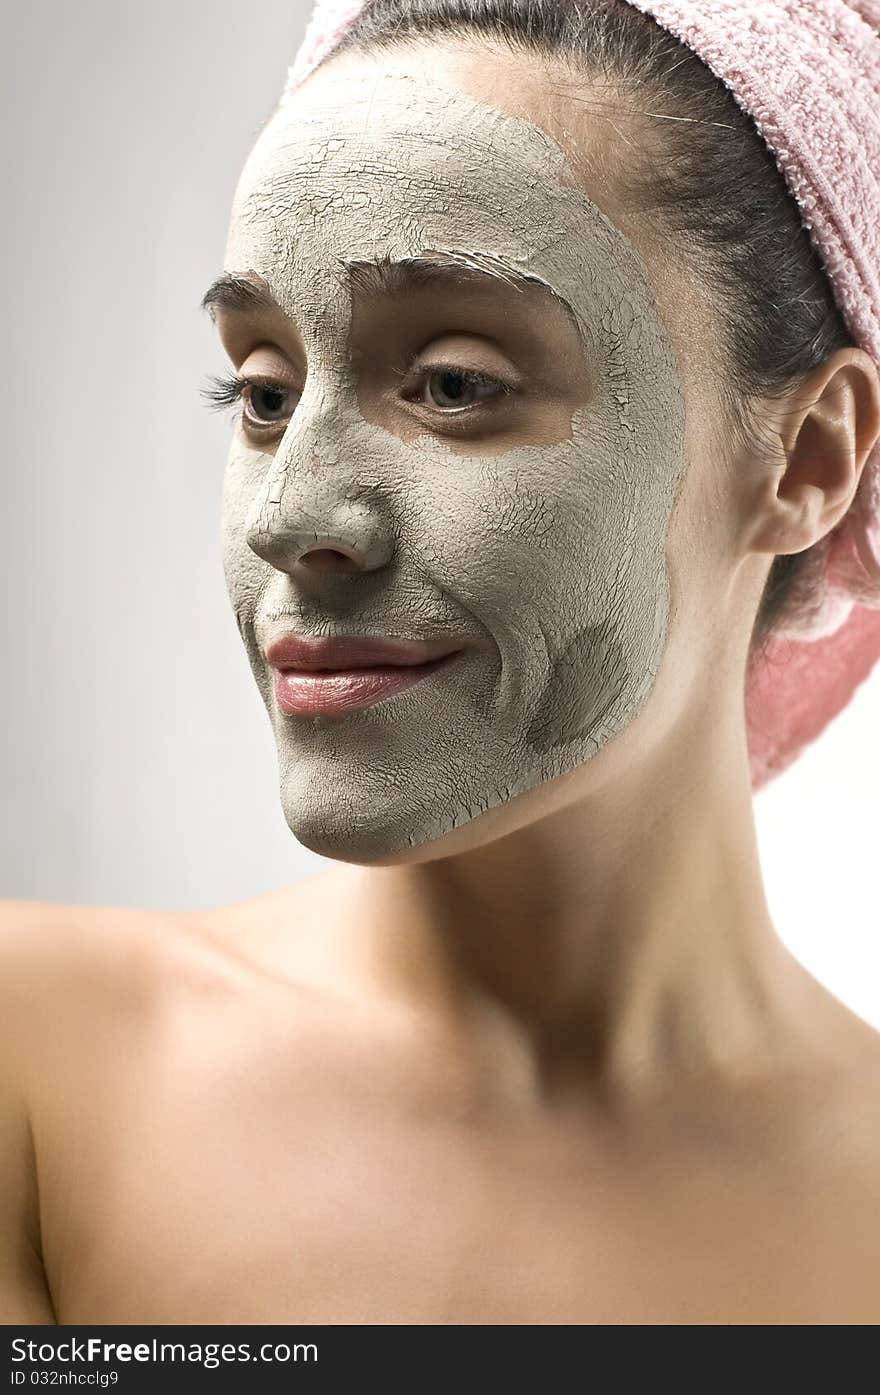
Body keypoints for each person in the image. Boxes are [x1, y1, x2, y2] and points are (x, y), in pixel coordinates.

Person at [3, 0, 880, 1325]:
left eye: (455, 384)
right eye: (261, 390)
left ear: (811, 459)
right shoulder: (38, 1070)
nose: (290, 517)